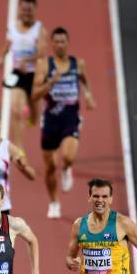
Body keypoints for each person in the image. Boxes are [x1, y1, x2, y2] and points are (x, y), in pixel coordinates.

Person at [32, 27, 96, 219]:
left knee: (67, 157)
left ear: (67, 43)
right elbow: (35, 95)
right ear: (52, 44)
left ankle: (67, 169)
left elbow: (84, 80)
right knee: (50, 167)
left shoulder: (78, 64)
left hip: (70, 117)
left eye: (63, 41)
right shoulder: (44, 65)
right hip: (51, 119)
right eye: (56, 41)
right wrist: (50, 83)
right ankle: (53, 202)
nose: (60, 45)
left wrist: (88, 95)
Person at [0, 0, 47, 150]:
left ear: (34, 11)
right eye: (24, 9)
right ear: (19, 10)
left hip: (35, 76)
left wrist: (27, 60)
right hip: (18, 74)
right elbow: (7, 44)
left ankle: (32, 115)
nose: (26, 13)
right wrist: (0, 58)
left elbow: (42, 52)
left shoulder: (39, 29)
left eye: (29, 10)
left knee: (35, 118)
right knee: (15, 110)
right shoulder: (13, 27)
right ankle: (18, 148)